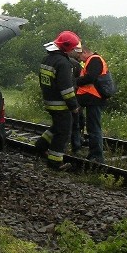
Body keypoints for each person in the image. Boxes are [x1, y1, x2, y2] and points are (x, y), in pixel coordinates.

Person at [34, 30, 81, 170]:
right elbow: (66, 89)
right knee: (63, 132)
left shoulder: (47, 59)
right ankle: (55, 162)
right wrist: (74, 106)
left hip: (49, 101)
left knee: (57, 127)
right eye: (73, 48)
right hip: (60, 105)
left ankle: (41, 145)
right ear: (66, 47)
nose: (74, 51)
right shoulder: (63, 63)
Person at [75, 44, 109, 164]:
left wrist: (75, 81)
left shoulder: (94, 59)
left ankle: (97, 156)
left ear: (84, 52)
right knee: (92, 127)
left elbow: (91, 77)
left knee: (94, 128)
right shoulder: (92, 60)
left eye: (79, 55)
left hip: (94, 98)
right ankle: (93, 154)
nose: (79, 58)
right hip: (91, 99)